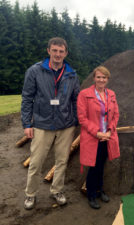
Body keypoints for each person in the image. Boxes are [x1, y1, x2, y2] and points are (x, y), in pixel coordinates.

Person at [21, 37, 80, 210]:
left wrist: (75, 120)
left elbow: (76, 99)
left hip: (66, 125)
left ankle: (57, 190)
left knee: (62, 161)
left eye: (61, 51)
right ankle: (30, 194)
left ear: (66, 53)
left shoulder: (71, 74)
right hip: (42, 125)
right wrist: (27, 124)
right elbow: (27, 98)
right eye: (54, 50)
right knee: (36, 162)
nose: (57, 54)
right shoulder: (35, 71)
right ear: (48, 51)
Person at [77, 66, 120, 209]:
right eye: (99, 77)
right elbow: (82, 118)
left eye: (104, 77)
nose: (101, 80)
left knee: (101, 165)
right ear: (94, 78)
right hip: (93, 137)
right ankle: (91, 194)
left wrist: (109, 131)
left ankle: (99, 190)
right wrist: (97, 132)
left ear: (107, 79)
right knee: (93, 167)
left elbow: (115, 115)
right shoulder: (84, 94)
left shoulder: (111, 94)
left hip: (107, 137)